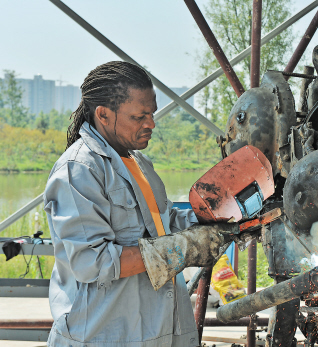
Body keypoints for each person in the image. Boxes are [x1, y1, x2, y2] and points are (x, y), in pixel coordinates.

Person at [44, 61, 233, 347]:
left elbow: (162, 223)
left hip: (157, 333)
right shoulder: (80, 170)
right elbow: (91, 262)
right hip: (105, 336)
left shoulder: (138, 163)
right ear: (104, 115)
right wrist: (184, 248)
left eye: (152, 114)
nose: (151, 124)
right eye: (139, 116)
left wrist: (217, 218)